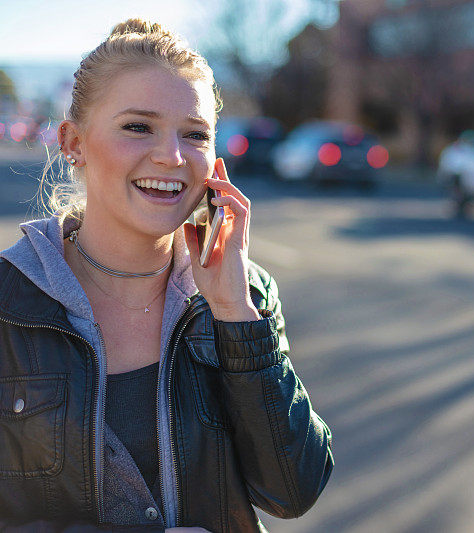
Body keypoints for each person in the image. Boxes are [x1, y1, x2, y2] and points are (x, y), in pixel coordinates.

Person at [0, 18, 333, 532]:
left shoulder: (245, 295)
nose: (172, 156)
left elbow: (293, 491)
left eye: (194, 134)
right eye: (138, 126)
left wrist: (234, 314)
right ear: (74, 143)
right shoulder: (9, 299)